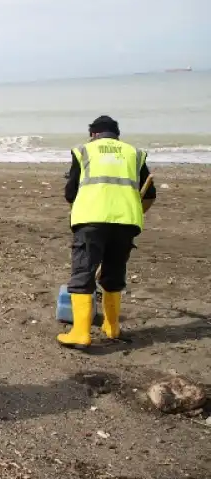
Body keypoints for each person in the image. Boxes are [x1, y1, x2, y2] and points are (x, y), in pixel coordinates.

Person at [59, 115, 156, 349]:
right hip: (126, 222)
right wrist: (134, 212)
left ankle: (80, 333)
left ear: (93, 134)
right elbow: (150, 195)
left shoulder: (84, 151)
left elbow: (71, 192)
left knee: (84, 271)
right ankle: (112, 327)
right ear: (117, 134)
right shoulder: (134, 153)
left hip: (90, 220)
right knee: (114, 272)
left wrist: (79, 210)